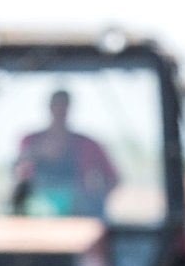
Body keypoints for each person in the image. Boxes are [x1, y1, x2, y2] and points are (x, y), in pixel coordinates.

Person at [11, 89, 119, 217]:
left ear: (69, 108)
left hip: (80, 215)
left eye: (64, 106)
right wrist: (36, 154)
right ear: (50, 108)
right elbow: (18, 171)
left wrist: (95, 199)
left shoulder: (88, 144)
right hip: (37, 215)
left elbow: (113, 178)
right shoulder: (30, 141)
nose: (60, 111)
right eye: (57, 106)